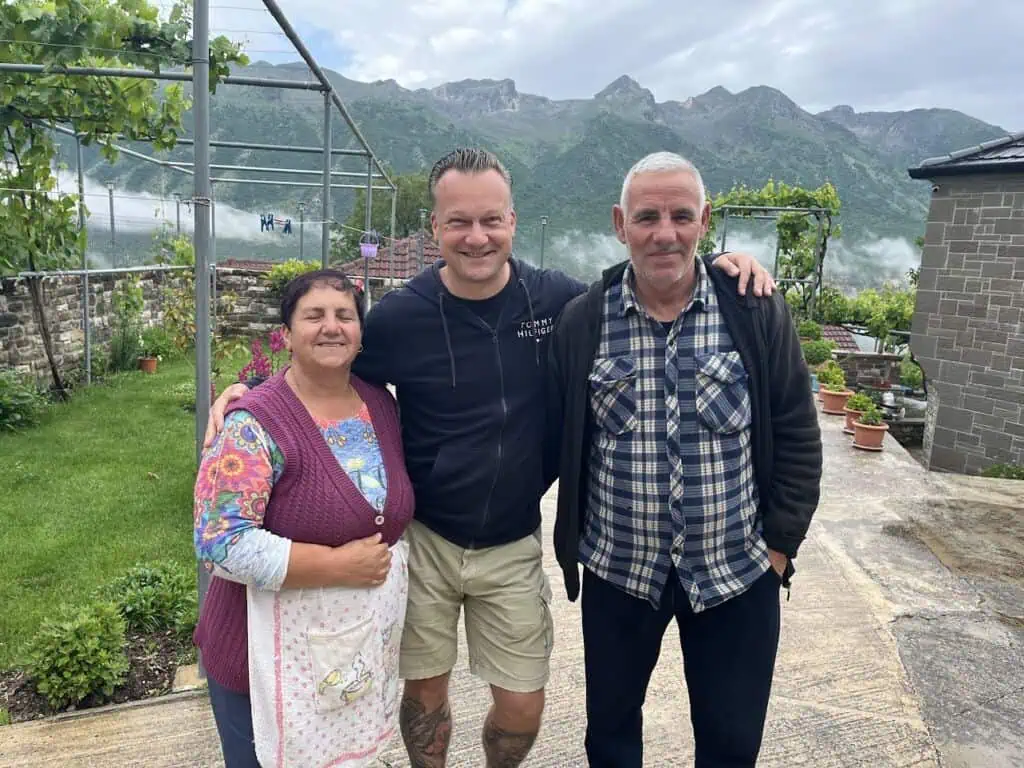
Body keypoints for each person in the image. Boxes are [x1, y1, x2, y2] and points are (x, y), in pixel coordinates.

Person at [205, 147, 776, 767]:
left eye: (491, 220)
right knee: (425, 692)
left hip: (512, 539)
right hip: (426, 538)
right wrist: (248, 398)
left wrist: (718, 266)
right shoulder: (399, 319)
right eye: (458, 222)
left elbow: (642, 279)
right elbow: (323, 366)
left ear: (512, 220)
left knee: (523, 703)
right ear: (435, 229)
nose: (476, 237)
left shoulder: (559, 301)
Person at [545, 151, 823, 767]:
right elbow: (552, 434)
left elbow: (799, 435)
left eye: (680, 215)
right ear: (620, 224)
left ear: (705, 220)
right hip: (620, 573)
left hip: (735, 575)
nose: (663, 233)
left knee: (730, 744)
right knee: (611, 740)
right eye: (647, 217)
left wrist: (779, 548)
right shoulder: (583, 322)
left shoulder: (754, 310)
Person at [193, 269, 416, 767]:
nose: (331, 327)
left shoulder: (379, 405)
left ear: (361, 332)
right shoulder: (253, 424)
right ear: (287, 333)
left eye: (345, 316)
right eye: (313, 315)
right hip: (260, 657)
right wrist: (337, 566)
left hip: (347, 652)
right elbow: (221, 542)